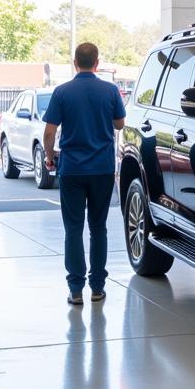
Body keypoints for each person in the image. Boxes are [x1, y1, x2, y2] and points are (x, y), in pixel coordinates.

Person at [42, 43, 126, 305]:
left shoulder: (62, 91)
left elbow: (49, 131)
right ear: (97, 62)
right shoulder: (110, 90)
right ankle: (98, 287)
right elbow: (120, 124)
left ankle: (76, 289)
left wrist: (49, 156)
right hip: (102, 169)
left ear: (75, 62)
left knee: (73, 229)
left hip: (72, 170)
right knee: (98, 228)